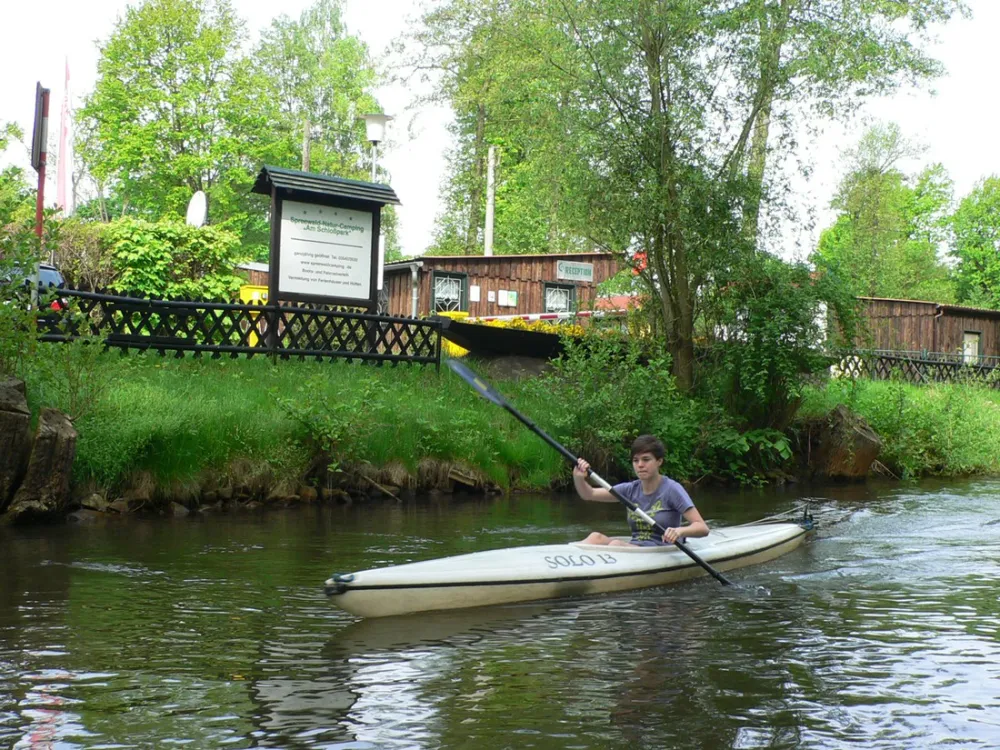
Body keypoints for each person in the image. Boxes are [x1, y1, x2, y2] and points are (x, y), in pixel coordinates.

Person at [573, 434, 709, 547]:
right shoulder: (629, 490)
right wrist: (578, 477)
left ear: (659, 461)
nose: (640, 465)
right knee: (595, 537)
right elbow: (588, 494)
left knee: (616, 545)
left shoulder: (672, 490)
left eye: (646, 459)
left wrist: (679, 531)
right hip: (636, 547)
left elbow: (702, 528)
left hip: (662, 549)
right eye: (635, 460)